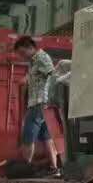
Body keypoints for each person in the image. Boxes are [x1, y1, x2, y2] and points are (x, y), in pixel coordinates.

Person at [13, 35, 60, 170]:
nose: (22, 57)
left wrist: (49, 97)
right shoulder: (33, 62)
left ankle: (25, 167)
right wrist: (26, 78)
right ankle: (54, 168)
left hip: (39, 103)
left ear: (30, 48)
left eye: (23, 53)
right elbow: (38, 75)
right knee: (47, 138)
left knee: (28, 135)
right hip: (42, 104)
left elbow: (52, 75)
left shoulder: (41, 58)